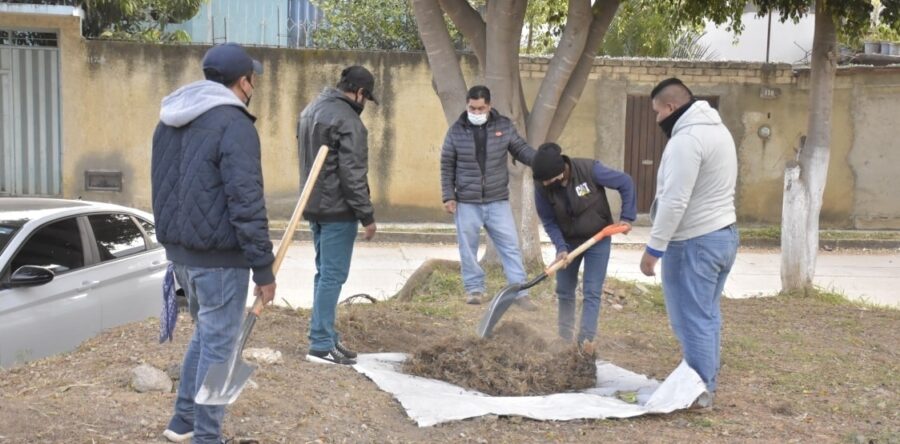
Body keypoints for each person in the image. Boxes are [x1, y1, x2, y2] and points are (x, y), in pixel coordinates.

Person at [152, 43, 276, 444]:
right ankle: (208, 436)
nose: (253, 84)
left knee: (207, 334)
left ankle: (183, 420)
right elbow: (246, 199)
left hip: (184, 254)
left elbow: (163, 188)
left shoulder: (169, 119)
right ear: (244, 82)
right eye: (251, 78)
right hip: (221, 257)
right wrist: (263, 267)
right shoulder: (234, 124)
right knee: (220, 345)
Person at [640, 78, 739, 408]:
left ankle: (700, 390)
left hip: (694, 242)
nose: (656, 120)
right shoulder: (718, 130)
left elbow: (675, 200)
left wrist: (653, 250)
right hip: (724, 234)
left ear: (670, 108)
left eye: (657, 112)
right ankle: (704, 380)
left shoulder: (687, 139)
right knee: (706, 315)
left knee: (690, 318)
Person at [297, 65, 378, 366]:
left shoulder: (311, 109)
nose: (365, 105)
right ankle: (319, 343)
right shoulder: (349, 121)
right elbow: (352, 174)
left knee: (324, 273)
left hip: (314, 205)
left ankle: (327, 336)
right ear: (360, 93)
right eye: (366, 98)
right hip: (338, 209)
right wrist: (366, 215)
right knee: (332, 275)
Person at [440, 85, 537, 306]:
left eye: (480, 108)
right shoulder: (456, 131)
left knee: (511, 246)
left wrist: (540, 160)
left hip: (497, 200)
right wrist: (448, 196)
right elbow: (447, 164)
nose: (476, 113)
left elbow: (520, 149)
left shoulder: (503, 126)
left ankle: (519, 292)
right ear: (467, 105)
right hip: (466, 202)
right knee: (468, 248)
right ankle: (474, 290)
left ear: (489, 106)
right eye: (472, 108)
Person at [531, 143, 636, 346]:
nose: (544, 185)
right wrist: (561, 248)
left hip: (598, 238)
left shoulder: (589, 170)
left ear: (560, 173)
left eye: (547, 180)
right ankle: (564, 338)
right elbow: (549, 221)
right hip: (568, 242)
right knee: (564, 289)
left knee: (592, 291)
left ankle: (585, 342)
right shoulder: (542, 187)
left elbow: (625, 182)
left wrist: (627, 217)